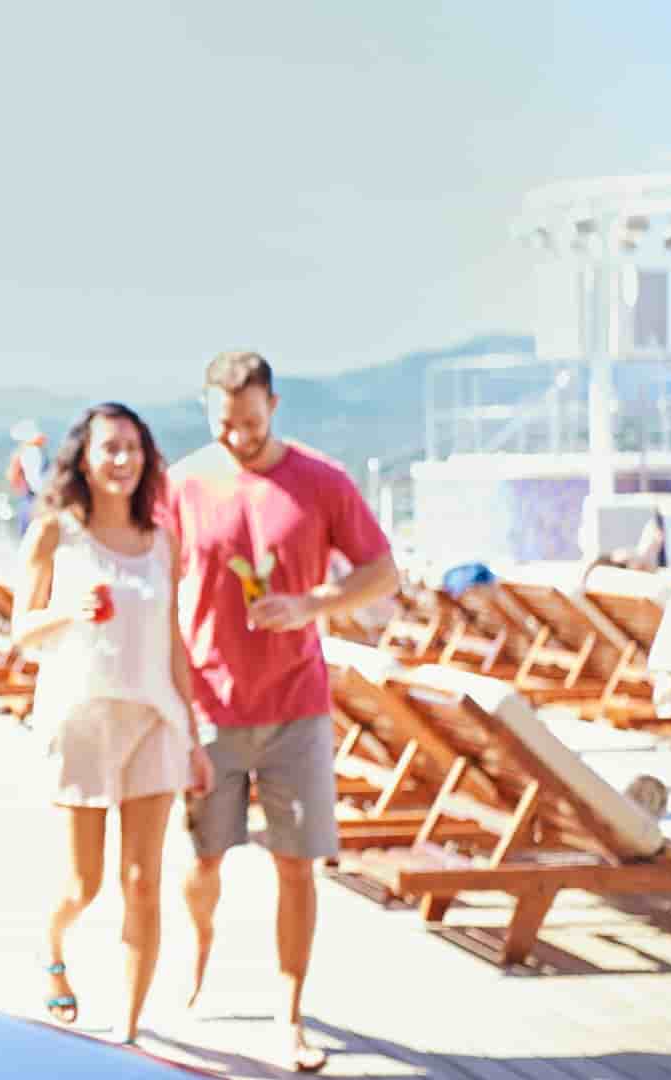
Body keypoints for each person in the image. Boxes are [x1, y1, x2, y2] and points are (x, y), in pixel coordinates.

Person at [163, 350, 398, 1074]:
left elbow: (382, 571)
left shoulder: (321, 481)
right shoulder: (182, 483)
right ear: (210, 412)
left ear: (275, 407)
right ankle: (198, 947)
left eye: (252, 423)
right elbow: (151, 581)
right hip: (208, 703)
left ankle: (289, 1016)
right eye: (226, 423)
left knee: (297, 868)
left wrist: (312, 605)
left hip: (298, 703)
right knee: (203, 861)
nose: (239, 437)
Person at [12, 402, 212, 1048]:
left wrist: (195, 733)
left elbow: (174, 642)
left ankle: (128, 1036)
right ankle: (53, 942)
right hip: (82, 720)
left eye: (134, 448)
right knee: (85, 884)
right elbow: (21, 631)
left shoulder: (163, 542)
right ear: (85, 459)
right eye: (110, 448)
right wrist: (67, 610)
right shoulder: (54, 534)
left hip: (155, 720)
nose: (123, 460)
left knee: (142, 881)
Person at [7, 419, 49, 536]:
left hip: (28, 499)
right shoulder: (33, 452)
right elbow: (35, 479)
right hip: (34, 499)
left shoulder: (25, 452)